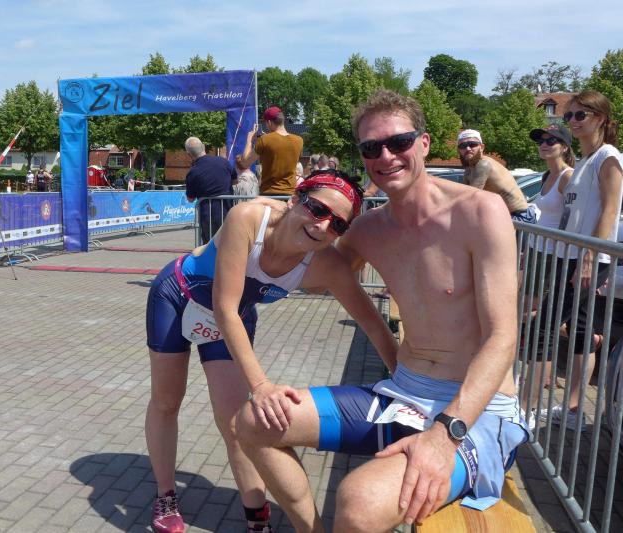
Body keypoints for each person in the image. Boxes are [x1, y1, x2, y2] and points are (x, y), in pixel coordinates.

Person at [236, 90, 528, 532]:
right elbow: (313, 276)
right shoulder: (368, 230)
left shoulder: (479, 212)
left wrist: (445, 433)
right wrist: (283, 219)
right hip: (403, 393)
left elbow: (502, 338)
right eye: (372, 148)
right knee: (253, 422)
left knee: (359, 501)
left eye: (399, 142)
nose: (386, 156)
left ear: (424, 143)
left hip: (476, 412)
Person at [144, 169, 397, 533]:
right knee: (167, 401)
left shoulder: (328, 264)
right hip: (178, 298)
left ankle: (256, 517)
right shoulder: (248, 218)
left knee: (236, 423)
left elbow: (373, 325)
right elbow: (224, 308)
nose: (323, 225)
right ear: (294, 199)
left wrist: (407, 388)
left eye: (338, 224)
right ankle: (165, 494)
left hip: (232, 316)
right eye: (317, 208)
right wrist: (261, 385)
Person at [533, 90, 623, 431]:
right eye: (568, 115)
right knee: (582, 331)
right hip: (572, 255)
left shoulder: (608, 157)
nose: (572, 121)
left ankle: (526, 407)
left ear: (600, 118)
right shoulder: (585, 161)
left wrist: (588, 259)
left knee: (546, 326)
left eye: (580, 115)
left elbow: (610, 211)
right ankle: (572, 410)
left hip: (588, 258)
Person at [520, 123, 575, 412]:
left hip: (554, 257)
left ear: (564, 147)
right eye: (541, 140)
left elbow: (573, 221)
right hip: (537, 252)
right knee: (536, 320)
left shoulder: (568, 176)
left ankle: (532, 394)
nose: (544, 144)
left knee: (541, 323)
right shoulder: (546, 175)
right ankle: (537, 380)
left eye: (551, 140)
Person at [458, 129, 537, 222]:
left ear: (481, 147)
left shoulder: (483, 164)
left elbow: (471, 197)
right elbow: (463, 194)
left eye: (472, 144)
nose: (468, 148)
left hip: (520, 216)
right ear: (459, 150)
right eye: (463, 146)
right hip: (506, 215)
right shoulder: (469, 168)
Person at [184, 136, 237, 245]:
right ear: (203, 147)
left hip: (208, 216)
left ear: (189, 154)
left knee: (210, 246)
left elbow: (190, 198)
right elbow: (235, 180)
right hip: (228, 212)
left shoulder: (193, 172)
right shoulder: (224, 162)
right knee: (229, 244)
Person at [240, 106, 303, 195]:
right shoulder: (299, 140)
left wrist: (249, 140)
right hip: (290, 194)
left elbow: (244, 163)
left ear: (269, 122)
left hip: (270, 193)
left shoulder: (265, 139)